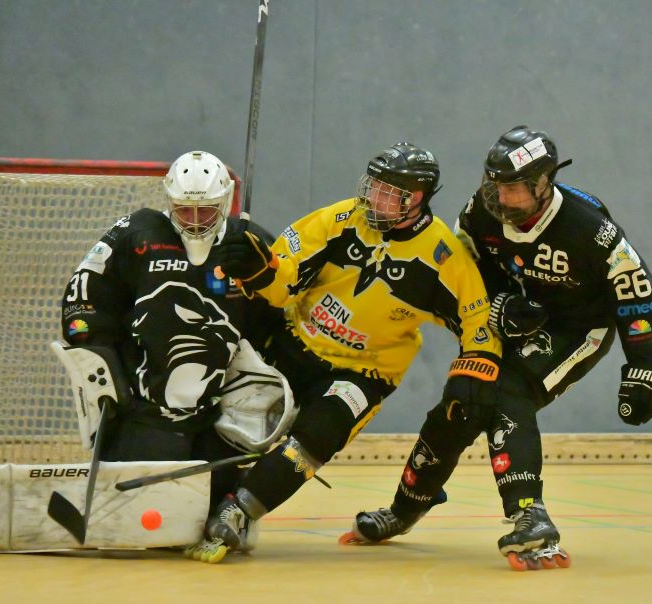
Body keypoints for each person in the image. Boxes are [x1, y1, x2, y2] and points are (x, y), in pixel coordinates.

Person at [349, 126, 652, 570]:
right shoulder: (480, 211)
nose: (501, 197)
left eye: (514, 188)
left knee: (508, 392)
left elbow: (636, 289)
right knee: (461, 399)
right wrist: (500, 304)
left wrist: (643, 367)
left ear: (543, 183)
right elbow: (462, 272)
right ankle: (404, 509)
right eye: (495, 183)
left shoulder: (589, 228)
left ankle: (529, 514)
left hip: (579, 330)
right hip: (512, 321)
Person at [185, 141, 502, 564]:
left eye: (390, 194)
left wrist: (474, 376)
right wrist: (258, 270)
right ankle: (195, 485)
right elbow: (283, 281)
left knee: (319, 435)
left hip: (363, 373)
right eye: (373, 187)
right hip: (293, 344)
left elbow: (478, 323)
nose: (374, 199)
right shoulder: (339, 219)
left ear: (418, 199)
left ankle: (242, 510)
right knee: (234, 415)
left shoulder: (444, 257)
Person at [59, 150, 283, 509]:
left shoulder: (251, 242)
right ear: (169, 201)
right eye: (185, 210)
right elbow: (85, 289)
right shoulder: (137, 233)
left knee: (208, 510)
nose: (195, 222)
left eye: (206, 210)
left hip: (222, 417)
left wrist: (264, 274)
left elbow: (288, 307)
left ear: (223, 203)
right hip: (145, 412)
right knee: (138, 507)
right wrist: (94, 350)